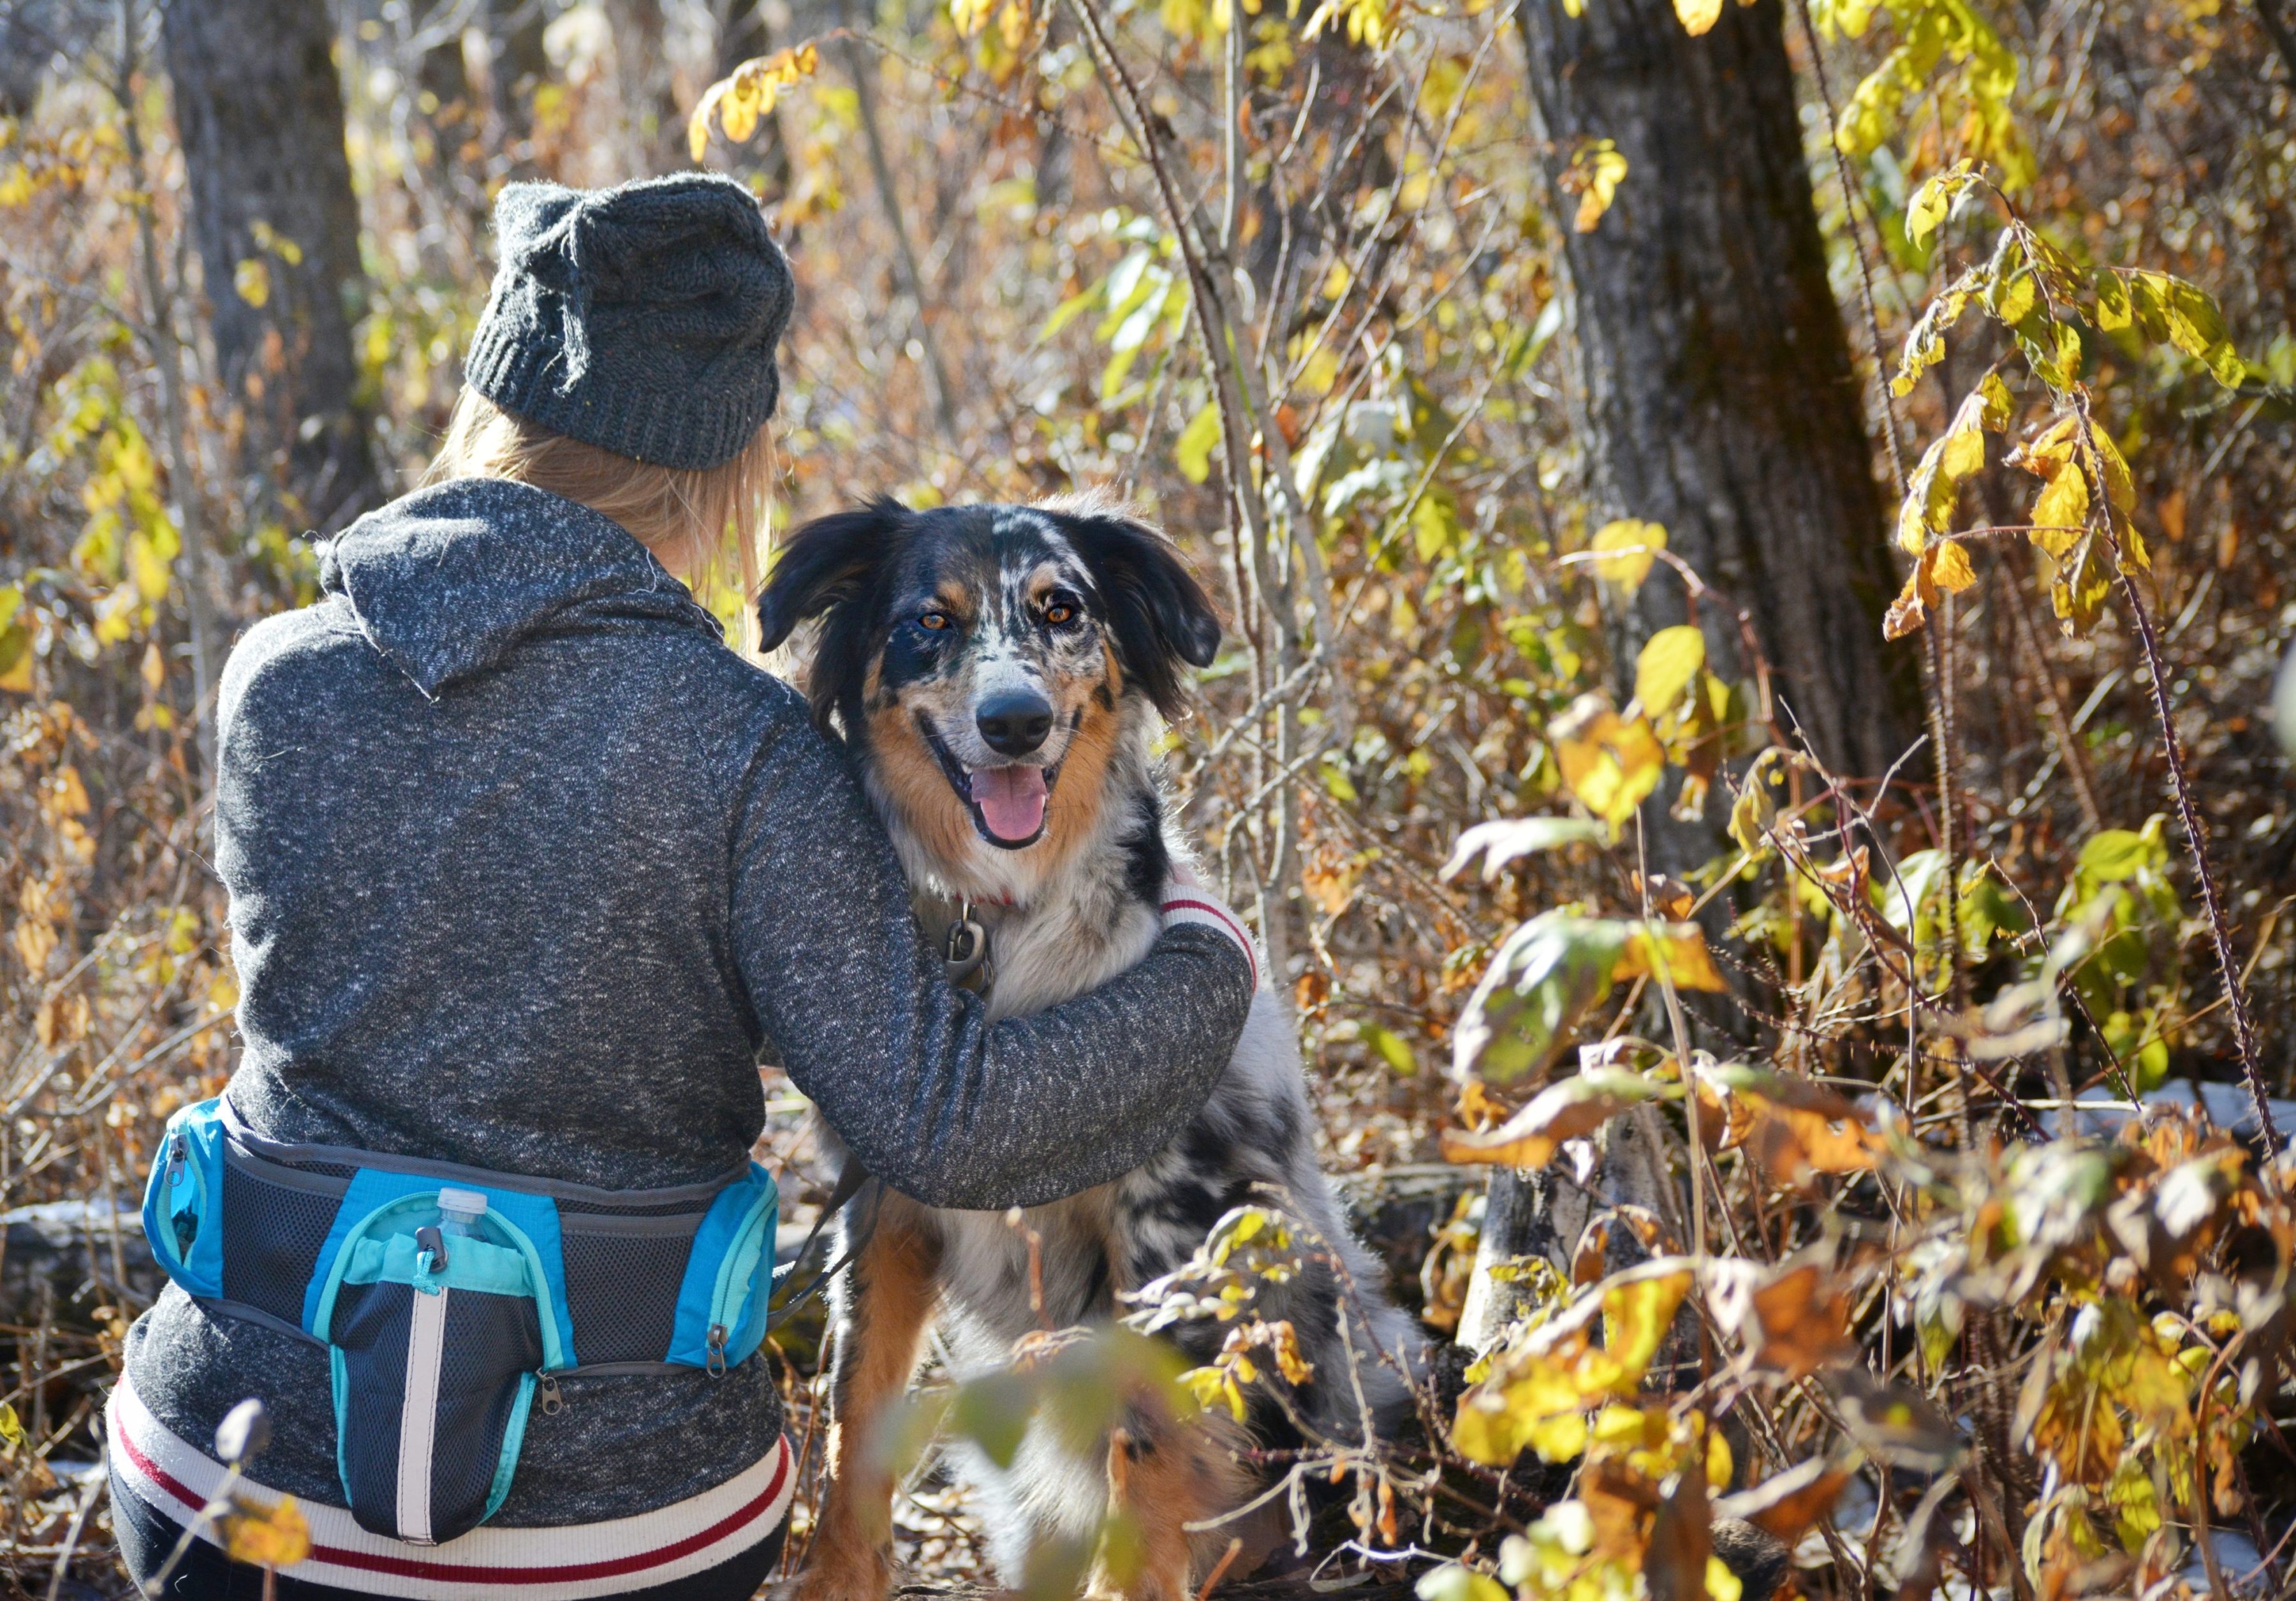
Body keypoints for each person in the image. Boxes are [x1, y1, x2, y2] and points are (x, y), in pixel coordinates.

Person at [108, 172, 1257, 1601]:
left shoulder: (270, 677)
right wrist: (1204, 953)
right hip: (612, 1529)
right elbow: (956, 1127)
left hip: (220, 1480)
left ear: (494, 401)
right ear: (732, 458)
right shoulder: (747, 752)